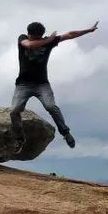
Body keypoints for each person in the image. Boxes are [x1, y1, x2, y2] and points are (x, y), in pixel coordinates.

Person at [10, 19, 98, 152]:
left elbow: (70, 34)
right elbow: (28, 45)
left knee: (51, 106)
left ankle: (65, 133)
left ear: (40, 36)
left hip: (42, 84)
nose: (32, 39)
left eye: (36, 38)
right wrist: (49, 39)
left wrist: (88, 31)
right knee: (14, 111)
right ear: (28, 34)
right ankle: (19, 139)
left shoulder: (49, 41)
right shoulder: (22, 38)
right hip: (23, 84)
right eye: (32, 37)